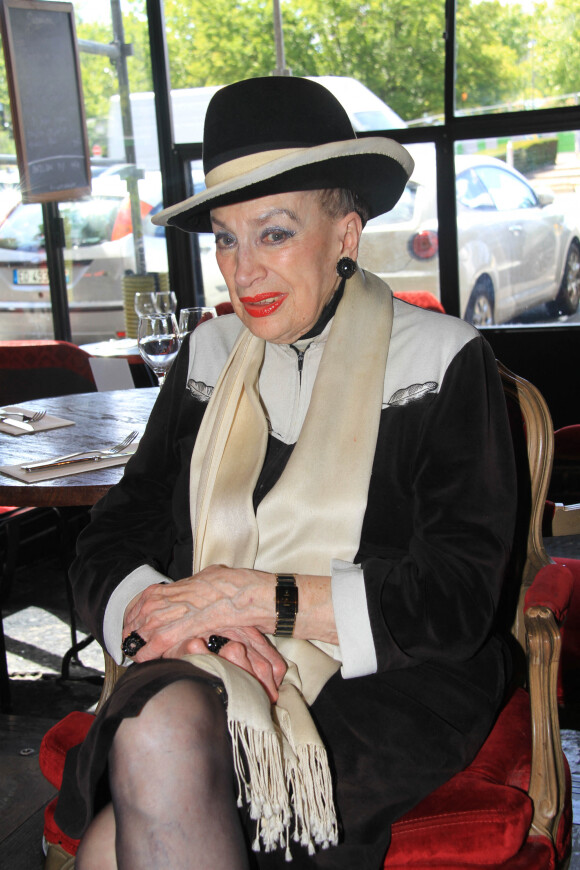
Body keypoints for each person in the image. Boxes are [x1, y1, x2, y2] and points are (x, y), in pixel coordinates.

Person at [53, 76, 516, 870]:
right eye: (225, 240)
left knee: (139, 804)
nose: (243, 271)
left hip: (391, 677)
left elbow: (460, 595)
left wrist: (262, 600)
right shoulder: (203, 358)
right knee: (162, 736)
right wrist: (192, 619)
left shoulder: (442, 361)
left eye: (273, 234)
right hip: (204, 657)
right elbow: (108, 542)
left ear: (345, 233)